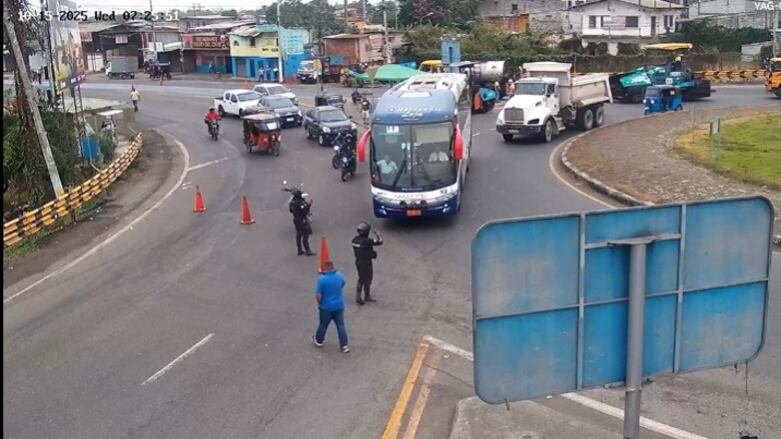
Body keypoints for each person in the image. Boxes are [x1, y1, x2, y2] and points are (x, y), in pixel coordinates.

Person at [312, 260, 349, 353]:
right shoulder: (339, 275)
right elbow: (343, 284)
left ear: (325, 268)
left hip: (326, 307)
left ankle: (319, 340)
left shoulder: (322, 280)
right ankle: (344, 345)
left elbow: (318, 295)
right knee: (340, 325)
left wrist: (320, 303)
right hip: (339, 305)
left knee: (323, 325)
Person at [352, 222, 382, 305]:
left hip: (358, 261)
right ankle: (366, 296)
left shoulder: (354, 240)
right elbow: (380, 241)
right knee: (368, 279)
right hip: (366, 262)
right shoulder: (367, 241)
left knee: (361, 278)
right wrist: (378, 234)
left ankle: (358, 295)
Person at [289, 189, 315, 256]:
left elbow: (290, 210)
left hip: (295, 219)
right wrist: (309, 205)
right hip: (301, 220)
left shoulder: (292, 202)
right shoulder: (300, 203)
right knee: (305, 234)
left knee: (299, 234)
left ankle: (299, 250)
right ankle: (308, 250)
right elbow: (305, 211)